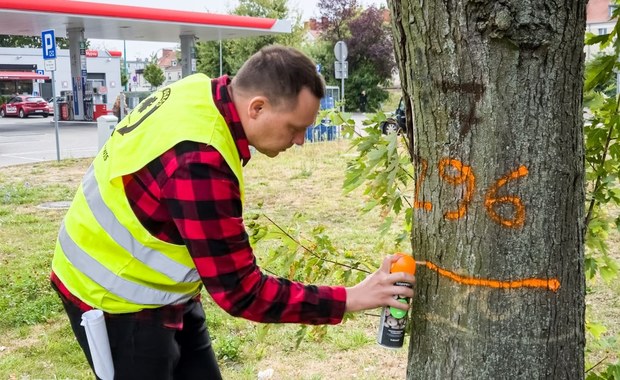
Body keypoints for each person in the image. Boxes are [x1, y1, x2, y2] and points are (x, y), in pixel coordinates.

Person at [50, 45, 415, 379]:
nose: (301, 140)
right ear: (257, 107)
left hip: (164, 290)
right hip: (113, 299)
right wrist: (352, 297)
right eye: (295, 127)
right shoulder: (199, 160)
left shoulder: (199, 91)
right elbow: (242, 292)